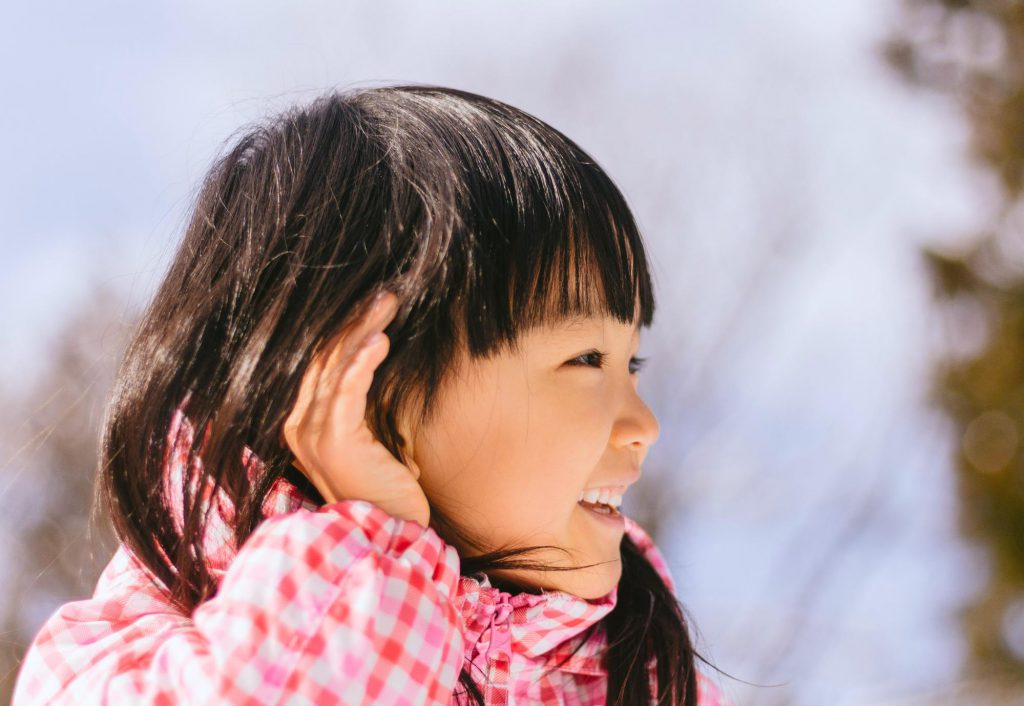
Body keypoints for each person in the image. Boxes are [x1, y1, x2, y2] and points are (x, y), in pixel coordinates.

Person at [12, 84, 733, 705]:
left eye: (631, 363)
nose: (643, 425)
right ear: (371, 390)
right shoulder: (122, 661)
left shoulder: (627, 669)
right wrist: (369, 560)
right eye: (585, 359)